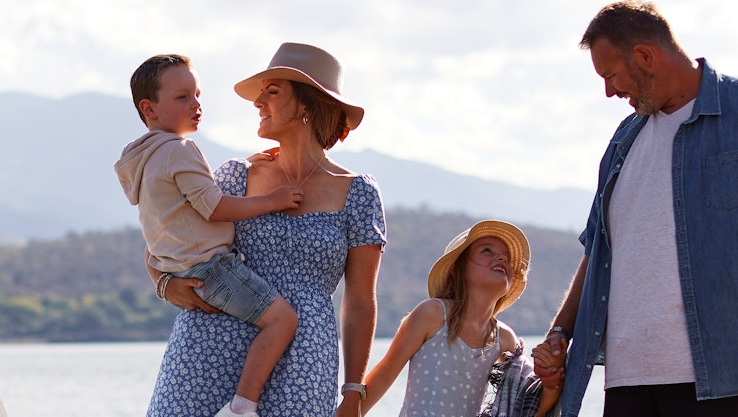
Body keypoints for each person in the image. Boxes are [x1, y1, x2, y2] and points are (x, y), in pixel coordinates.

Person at [533, 0, 738, 417]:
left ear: (645, 56)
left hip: (734, 375)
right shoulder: (623, 141)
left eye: (611, 75)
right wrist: (560, 332)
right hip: (630, 382)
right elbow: (598, 253)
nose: (609, 91)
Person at [147, 42, 386, 417]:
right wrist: (163, 283)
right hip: (209, 347)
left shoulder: (358, 192)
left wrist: (354, 389)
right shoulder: (234, 175)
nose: (258, 102)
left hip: (305, 358)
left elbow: (359, 299)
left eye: (272, 92)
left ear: (307, 103)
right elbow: (167, 232)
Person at [115, 53, 305, 417]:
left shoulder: (143, 158)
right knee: (283, 320)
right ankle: (243, 406)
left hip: (178, 270)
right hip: (212, 269)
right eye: (182, 97)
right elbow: (213, 207)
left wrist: (247, 165)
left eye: (198, 94)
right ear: (149, 108)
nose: (196, 104)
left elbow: (189, 200)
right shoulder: (180, 149)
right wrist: (273, 199)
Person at [358, 220, 561, 416]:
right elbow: (384, 373)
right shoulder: (432, 314)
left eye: (506, 257)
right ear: (457, 269)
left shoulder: (505, 339)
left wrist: (551, 386)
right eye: (487, 251)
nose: (502, 259)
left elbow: (525, 403)